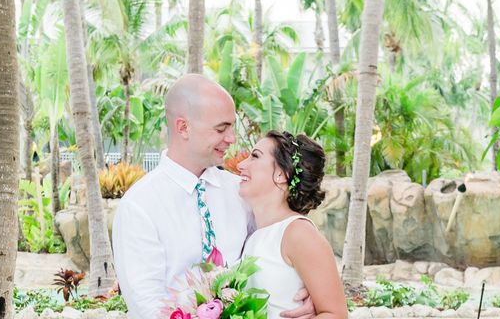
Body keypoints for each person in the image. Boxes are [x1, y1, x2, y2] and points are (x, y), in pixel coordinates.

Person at [112, 74, 315, 319]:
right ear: (183, 127)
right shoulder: (139, 205)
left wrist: (307, 288)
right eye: (222, 128)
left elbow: (279, 243)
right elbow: (147, 305)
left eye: (232, 127)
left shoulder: (240, 191)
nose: (231, 138)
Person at [238, 131, 348, 319]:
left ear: (282, 174)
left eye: (255, 156)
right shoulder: (255, 234)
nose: (240, 165)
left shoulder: (298, 232)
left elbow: (335, 314)